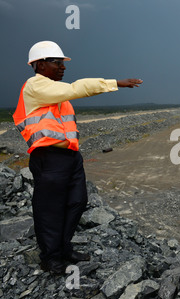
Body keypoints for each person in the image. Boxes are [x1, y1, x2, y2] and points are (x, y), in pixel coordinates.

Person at [13, 40, 143, 275]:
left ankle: (63, 248)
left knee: (77, 202)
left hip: (70, 157)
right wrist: (114, 83)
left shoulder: (57, 95)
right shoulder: (35, 86)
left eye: (63, 63)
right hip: (48, 158)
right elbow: (75, 88)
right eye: (57, 62)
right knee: (50, 209)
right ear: (40, 64)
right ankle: (50, 258)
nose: (63, 67)